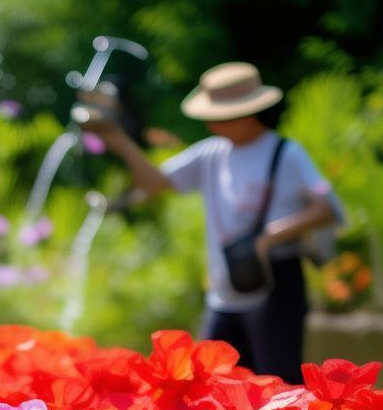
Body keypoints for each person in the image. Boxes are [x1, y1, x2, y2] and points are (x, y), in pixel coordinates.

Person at [95, 62, 341, 384]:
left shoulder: (286, 153)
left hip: (275, 282)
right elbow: (153, 184)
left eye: (218, 115)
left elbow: (326, 208)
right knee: (211, 384)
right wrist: (121, 143)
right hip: (225, 291)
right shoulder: (211, 153)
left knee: (278, 387)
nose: (211, 124)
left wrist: (269, 236)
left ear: (245, 112)